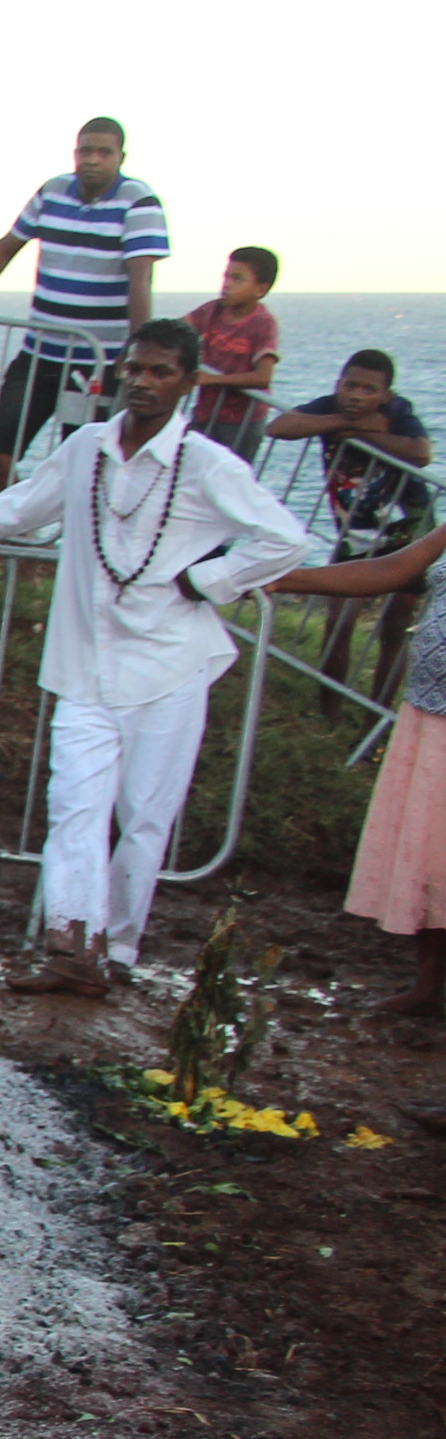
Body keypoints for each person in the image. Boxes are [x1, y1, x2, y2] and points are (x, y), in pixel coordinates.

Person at [0, 319, 306, 993]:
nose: (142, 383)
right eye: (134, 369)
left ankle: (117, 950)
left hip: (170, 667)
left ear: (189, 383)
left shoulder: (206, 465)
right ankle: (70, 946)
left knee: (144, 818)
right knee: (74, 806)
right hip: (85, 665)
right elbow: (24, 506)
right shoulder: (88, 447)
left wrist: (209, 581)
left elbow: (285, 540)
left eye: (160, 372)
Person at [269, 521, 446, 1016]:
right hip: (433, 715)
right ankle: (430, 987)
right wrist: (285, 579)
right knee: (432, 852)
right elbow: (394, 568)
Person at [0, 118, 170, 494]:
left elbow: (140, 277)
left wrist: (137, 349)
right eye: (86, 151)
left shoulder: (139, 201)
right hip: (41, 354)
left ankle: (65, 548)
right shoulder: (53, 192)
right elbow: (8, 245)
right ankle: (13, 536)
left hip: (97, 360)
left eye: (104, 152)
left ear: (121, 157)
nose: (93, 160)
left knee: (84, 466)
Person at [266, 350, 434, 710]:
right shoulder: (331, 407)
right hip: (356, 532)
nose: (356, 395)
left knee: (395, 626)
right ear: (338, 384)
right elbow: (278, 427)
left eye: (369, 389)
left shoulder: (398, 413)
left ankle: (379, 719)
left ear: (386, 396)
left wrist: (363, 433)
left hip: (406, 528)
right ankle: (327, 714)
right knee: (338, 620)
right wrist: (345, 423)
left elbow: (421, 453)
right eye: (350, 385)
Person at [184, 245, 280, 459]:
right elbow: (178, 329)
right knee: (190, 469)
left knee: (227, 479)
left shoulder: (263, 324)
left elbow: (263, 377)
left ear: (260, 289)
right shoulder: (212, 310)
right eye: (226, 276)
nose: (227, 284)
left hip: (241, 422)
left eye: (237, 279)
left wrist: (211, 379)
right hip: (206, 412)